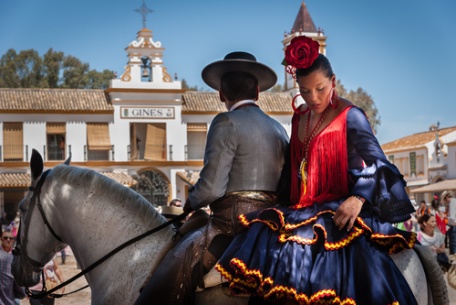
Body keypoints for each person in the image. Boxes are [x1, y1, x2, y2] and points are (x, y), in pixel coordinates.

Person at [215, 36, 418, 304]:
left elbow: (378, 162)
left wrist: (358, 199)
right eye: (305, 90)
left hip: (341, 212)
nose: (313, 98)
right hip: (303, 210)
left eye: (320, 88)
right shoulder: (298, 116)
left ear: (333, 82)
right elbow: (290, 172)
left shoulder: (351, 114)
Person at [134, 51, 289, 305]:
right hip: (272, 225)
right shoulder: (278, 128)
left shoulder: (226, 121)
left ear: (221, 93)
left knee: (165, 278)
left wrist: (191, 202)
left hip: (230, 225)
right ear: (258, 91)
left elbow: (211, 190)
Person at [1, 231, 26, 305]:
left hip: (13, 295)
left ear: (13, 240)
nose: (8, 240)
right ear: (1, 239)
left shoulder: (17, 255)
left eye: (10, 238)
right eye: (5, 238)